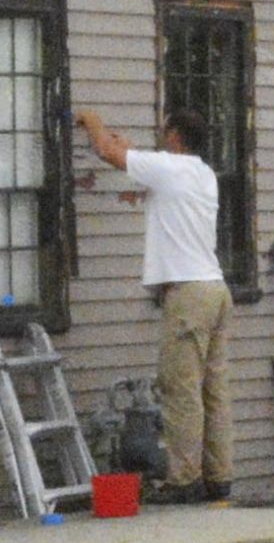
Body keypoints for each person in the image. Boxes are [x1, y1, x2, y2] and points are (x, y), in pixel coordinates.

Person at [79, 103, 231, 501]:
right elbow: (134, 155)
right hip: (215, 290)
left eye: (166, 133)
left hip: (189, 294)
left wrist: (90, 119)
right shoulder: (202, 174)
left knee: (180, 388)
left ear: (176, 137)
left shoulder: (170, 169)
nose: (163, 138)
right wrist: (124, 145)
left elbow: (110, 153)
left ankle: (184, 479)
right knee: (213, 389)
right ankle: (219, 475)